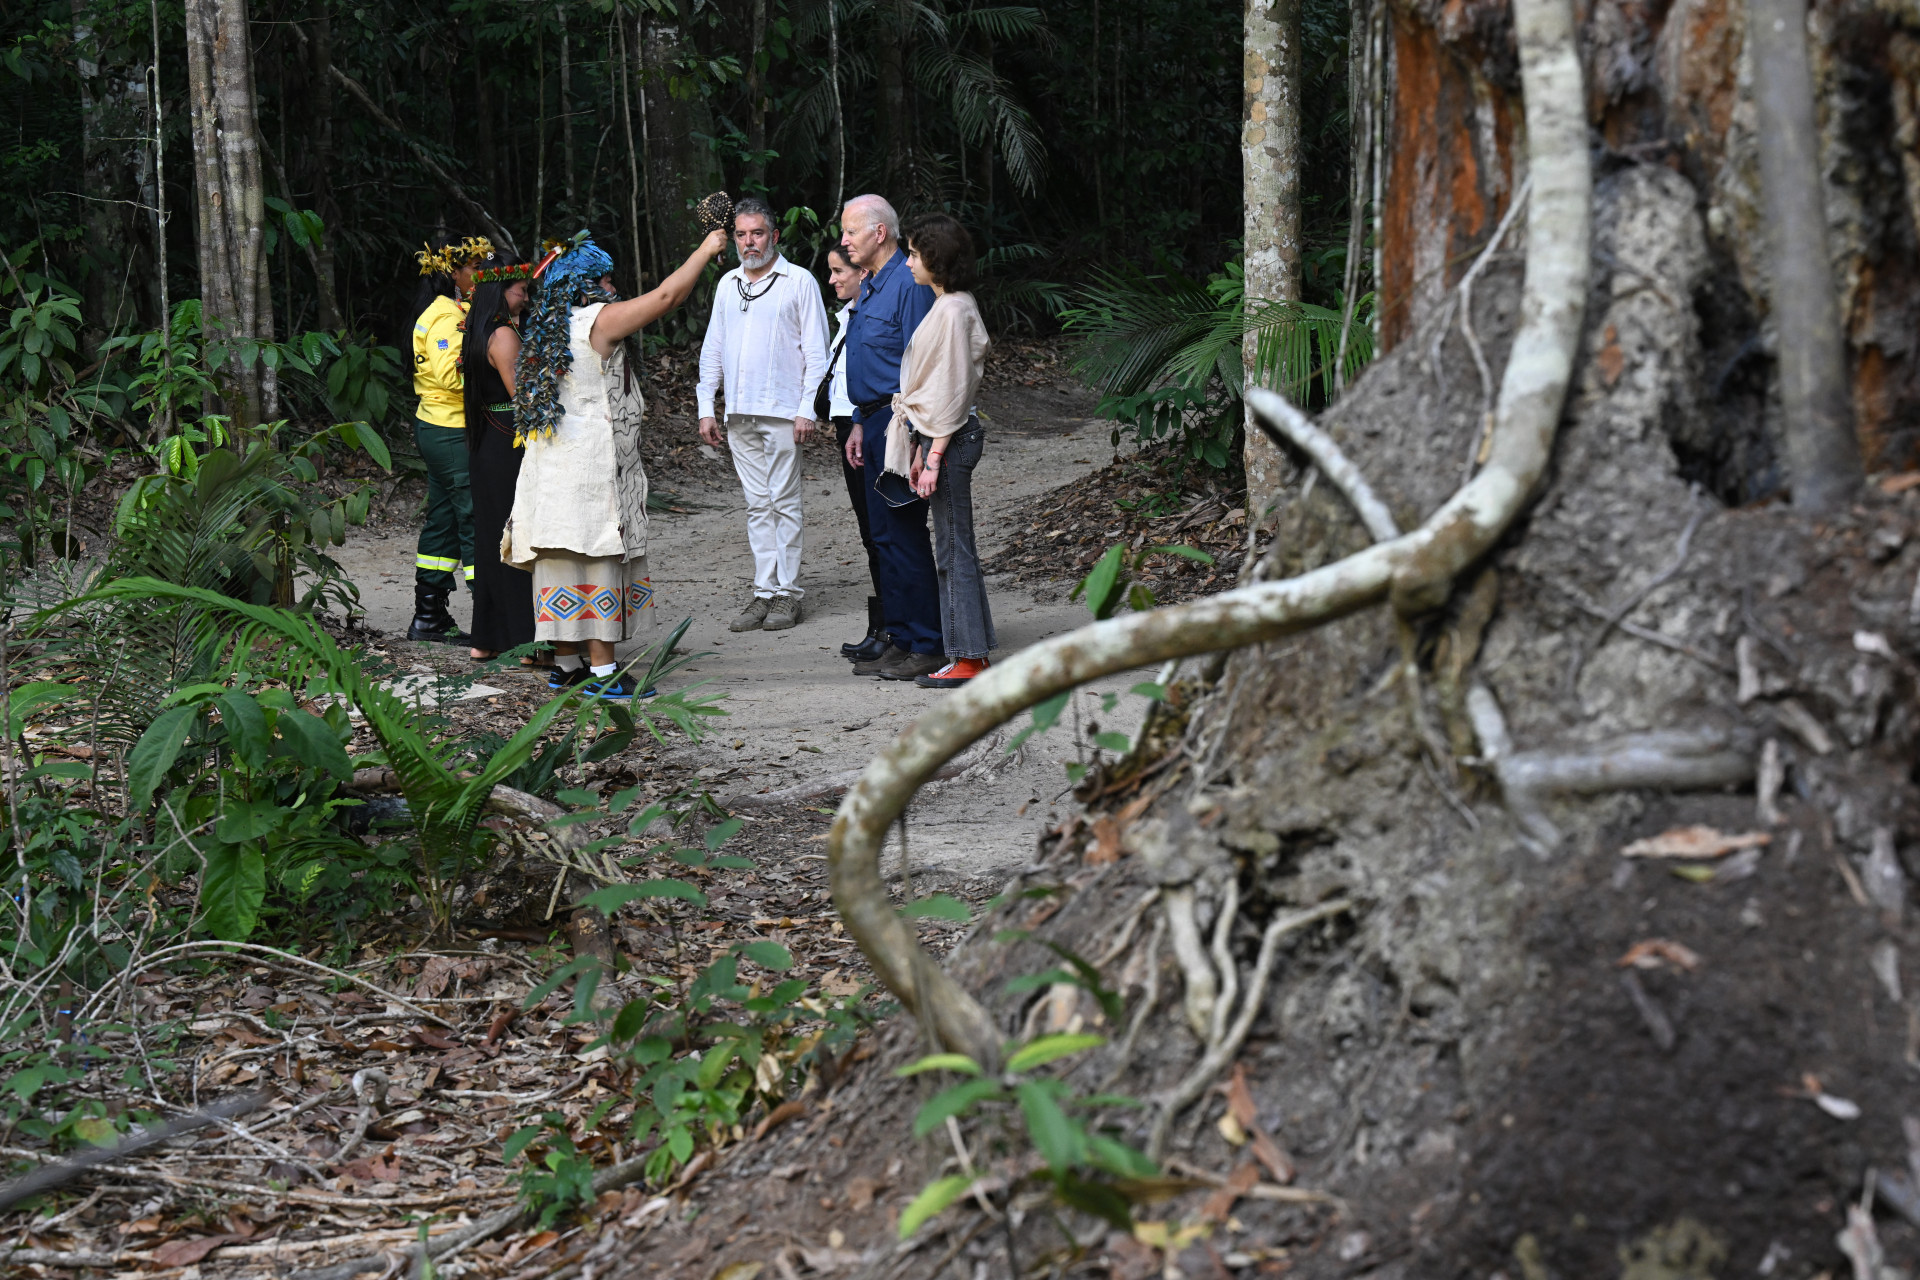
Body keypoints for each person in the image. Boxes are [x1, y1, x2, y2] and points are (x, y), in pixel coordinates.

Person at [504, 228, 729, 700]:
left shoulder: (550, 324)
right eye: (606, 280)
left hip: (553, 468)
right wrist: (707, 249)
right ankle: (603, 673)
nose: (613, 288)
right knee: (596, 558)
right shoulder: (595, 321)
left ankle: (567, 665)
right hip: (588, 469)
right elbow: (668, 296)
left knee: (563, 561)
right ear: (586, 283)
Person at [696, 197, 831, 633]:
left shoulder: (798, 281)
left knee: (784, 502)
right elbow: (713, 349)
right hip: (739, 412)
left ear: (774, 235)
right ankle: (763, 592)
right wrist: (706, 408)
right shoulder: (728, 283)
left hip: (782, 411)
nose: (749, 242)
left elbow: (817, 351)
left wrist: (807, 409)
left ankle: (787, 595)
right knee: (757, 505)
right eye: (741, 234)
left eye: (757, 233)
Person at [839, 194, 944, 682]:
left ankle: (928, 642)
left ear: (879, 233)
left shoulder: (909, 283)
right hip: (874, 421)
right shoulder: (871, 285)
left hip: (903, 427)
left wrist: (922, 442)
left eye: (851, 232)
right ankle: (899, 639)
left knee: (903, 534)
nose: (844, 241)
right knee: (881, 536)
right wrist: (860, 421)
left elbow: (924, 366)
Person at [894, 215, 994, 687]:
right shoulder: (947, 305)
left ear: (936, 259)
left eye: (914, 253)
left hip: (951, 440)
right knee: (955, 548)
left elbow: (953, 391)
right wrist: (921, 448)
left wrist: (934, 456)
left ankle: (968, 657)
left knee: (954, 551)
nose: (909, 261)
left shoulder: (953, 309)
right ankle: (973, 651)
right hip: (939, 437)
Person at [408, 234, 495, 643]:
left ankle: (429, 616)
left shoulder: (454, 308)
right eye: (474, 268)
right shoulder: (445, 316)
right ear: (453, 273)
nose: (480, 274)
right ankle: (491, 620)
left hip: (440, 426)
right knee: (474, 516)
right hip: (449, 428)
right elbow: (450, 373)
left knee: (443, 520)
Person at [461, 256, 540, 665]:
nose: (525, 298)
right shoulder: (505, 337)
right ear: (500, 290)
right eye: (520, 290)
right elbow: (522, 398)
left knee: (491, 536)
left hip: (486, 442)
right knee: (516, 538)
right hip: (507, 439)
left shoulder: (477, 329)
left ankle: (486, 639)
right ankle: (525, 644)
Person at [821, 242, 886, 662]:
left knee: (883, 530)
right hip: (849, 425)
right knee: (870, 531)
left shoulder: (870, 316)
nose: (831, 279)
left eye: (837, 271)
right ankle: (883, 623)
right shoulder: (847, 317)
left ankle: (893, 626)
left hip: (867, 423)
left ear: (862, 273)